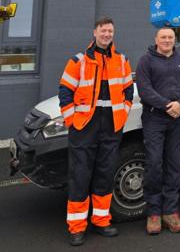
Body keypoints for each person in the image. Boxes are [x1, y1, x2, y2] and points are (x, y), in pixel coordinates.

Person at [58, 17, 133, 246]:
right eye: (103, 30)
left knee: (105, 173)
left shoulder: (122, 60)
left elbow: (128, 90)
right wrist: (72, 120)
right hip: (84, 127)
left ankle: (101, 220)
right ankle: (77, 227)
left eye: (110, 31)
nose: (107, 34)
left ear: (113, 34)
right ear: (95, 32)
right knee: (80, 175)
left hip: (111, 125)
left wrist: (123, 115)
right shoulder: (78, 61)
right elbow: (65, 91)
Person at [135, 27, 180, 234]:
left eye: (170, 37)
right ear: (156, 40)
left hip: (177, 118)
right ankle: (153, 213)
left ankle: (170, 211)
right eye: (163, 37)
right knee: (153, 163)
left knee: (174, 163)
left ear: (174, 39)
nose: (167, 40)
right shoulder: (146, 61)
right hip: (155, 118)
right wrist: (167, 105)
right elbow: (144, 89)